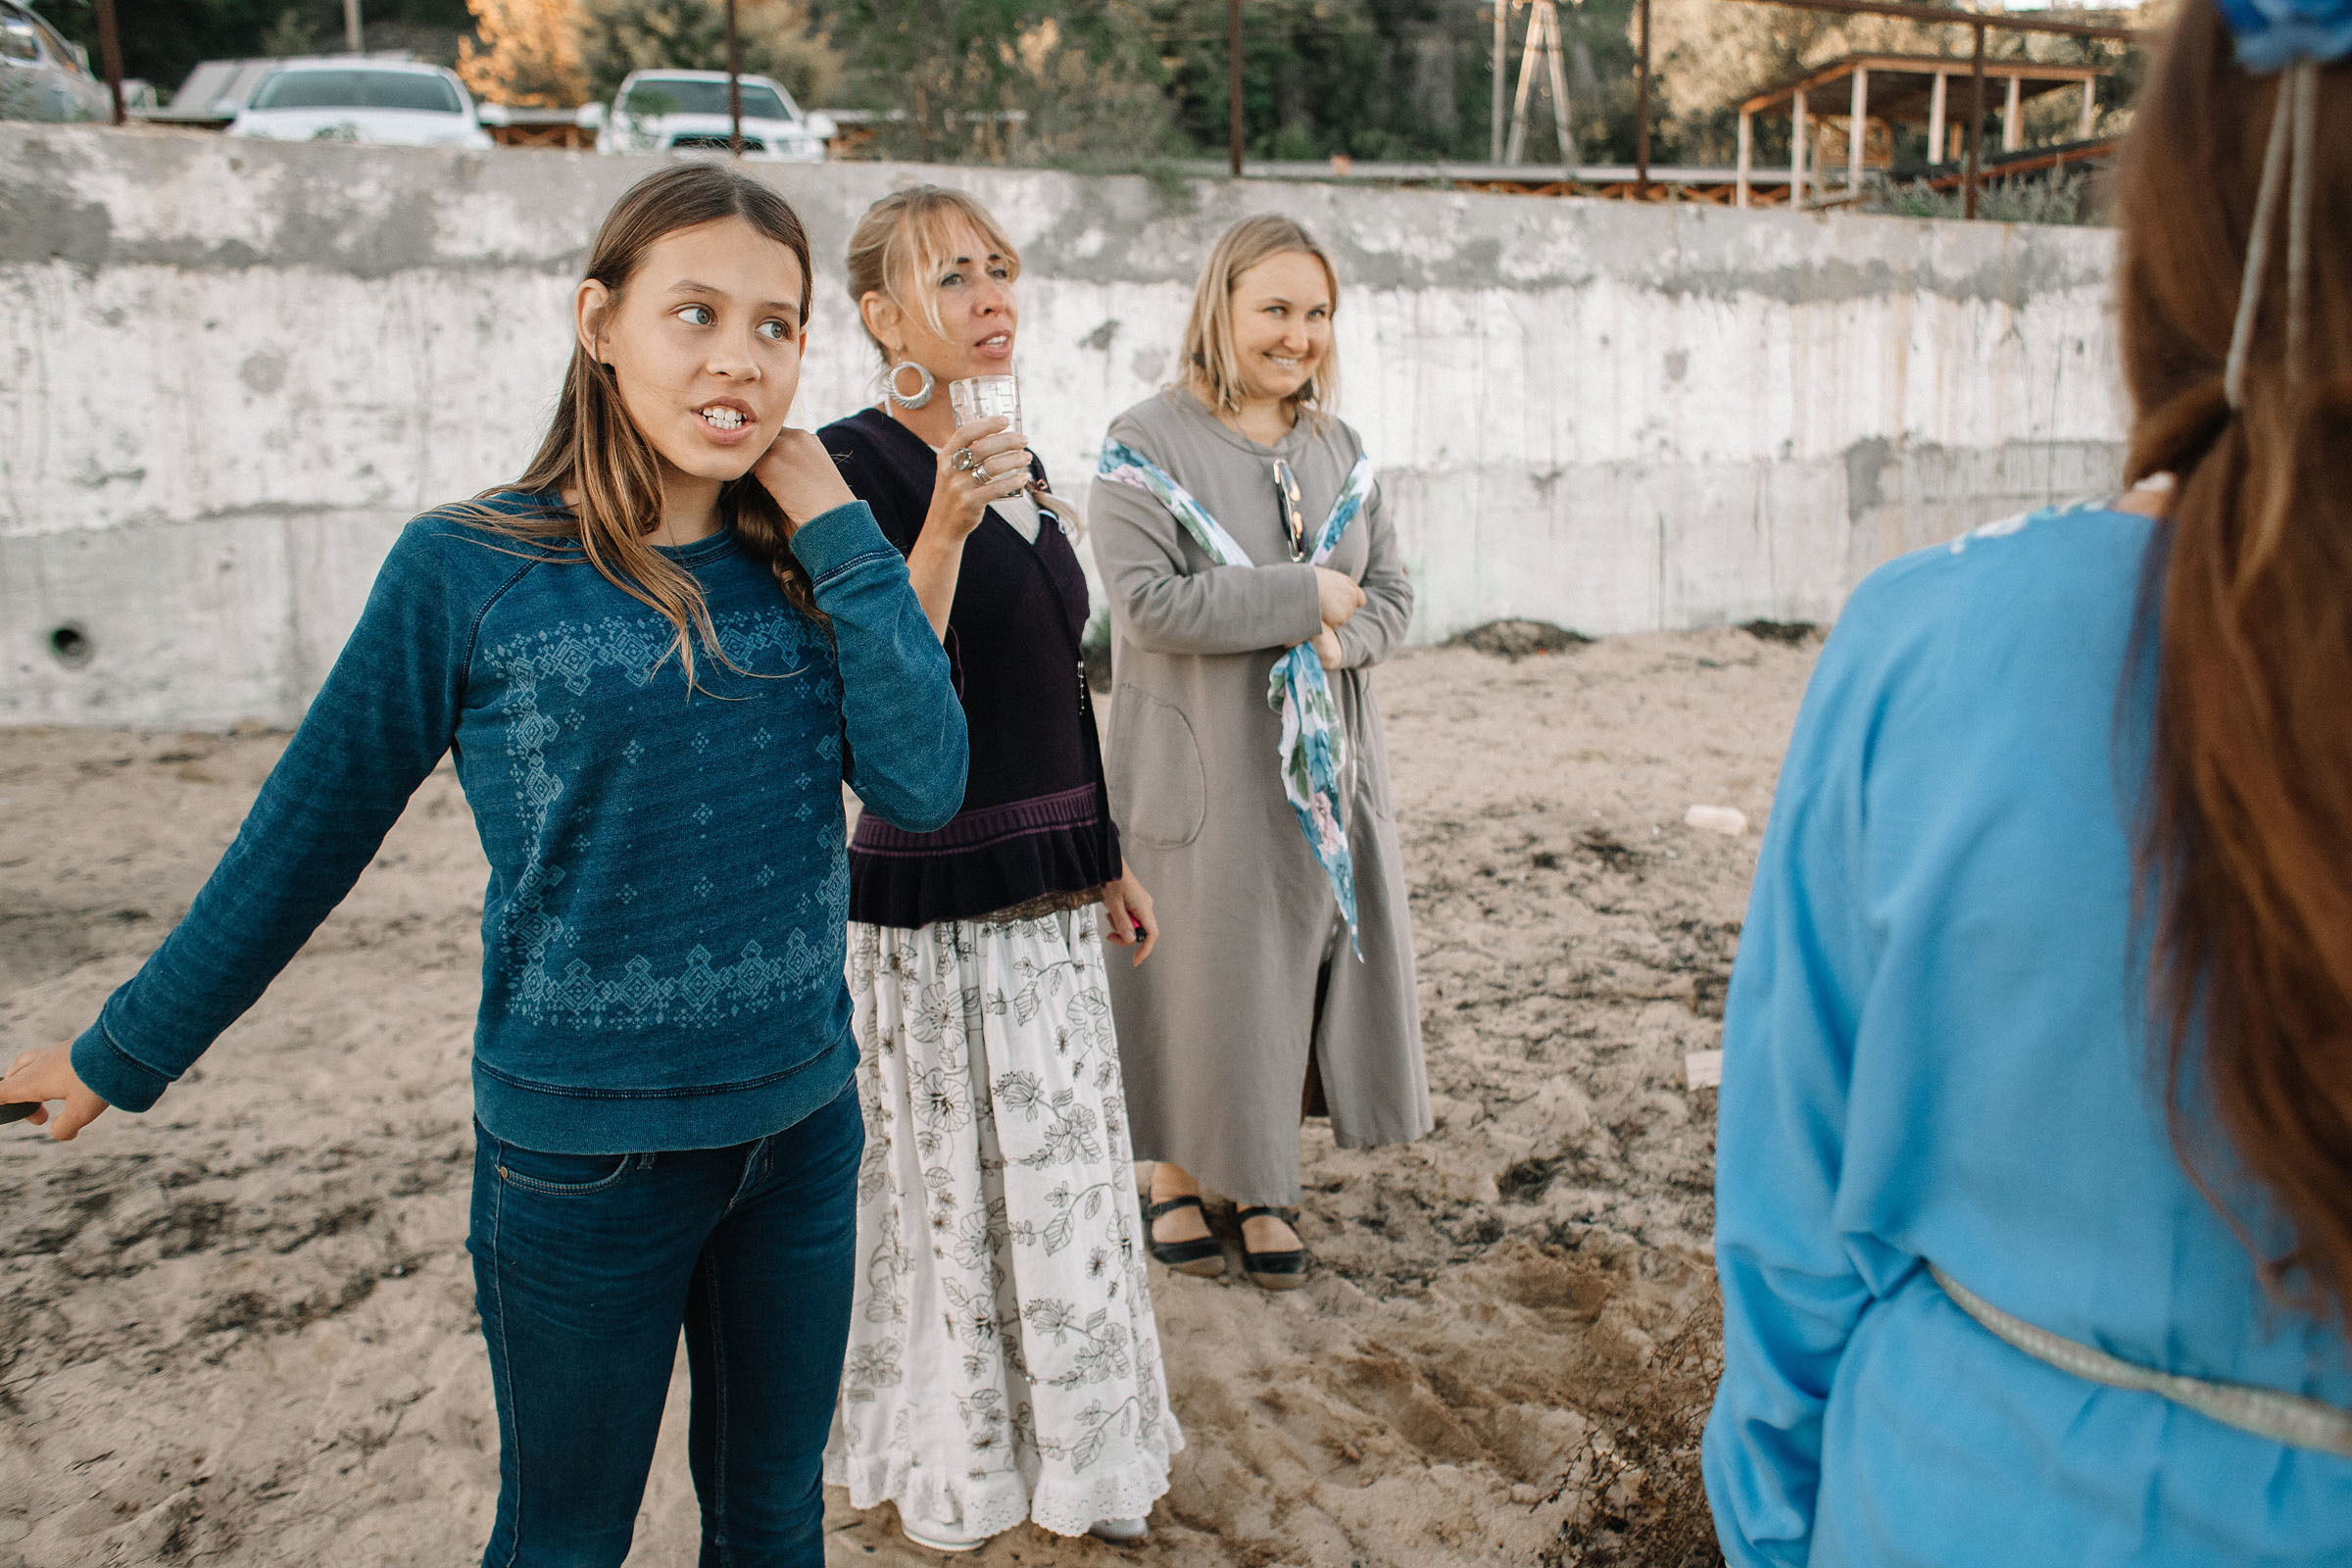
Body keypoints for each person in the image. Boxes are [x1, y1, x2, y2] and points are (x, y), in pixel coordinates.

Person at [0, 165, 968, 1568]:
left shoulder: (811, 564)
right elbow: (306, 835)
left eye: (777, 327)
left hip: (803, 1133)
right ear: (598, 320)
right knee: (565, 1537)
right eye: (694, 312)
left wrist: (839, 525)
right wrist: (118, 1052)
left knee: (772, 1516)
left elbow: (924, 788)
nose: (739, 360)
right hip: (583, 1163)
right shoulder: (466, 568)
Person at [1704, 5, 2352, 1562]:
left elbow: (1793, 1250)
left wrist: (1781, 1534)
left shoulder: (1929, 641)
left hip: (1951, 1503)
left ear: (2170, 245)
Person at [815, 185, 1179, 1553]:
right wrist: (948, 531)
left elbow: (1054, 692)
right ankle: (961, 1461)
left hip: (1047, 885)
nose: (987, 297)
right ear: (881, 315)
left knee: (1071, 1189)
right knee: (957, 1203)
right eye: (950, 276)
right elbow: (874, 688)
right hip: (934, 899)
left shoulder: (1013, 453)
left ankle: (1085, 1456)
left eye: (998, 271)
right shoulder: (847, 463)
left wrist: (1106, 857)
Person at [1088, 215, 1427, 1290]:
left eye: (1317, 312)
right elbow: (1145, 606)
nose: (1299, 335)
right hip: (1201, 758)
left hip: (1327, 772)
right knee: (1201, 967)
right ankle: (1179, 1172)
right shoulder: (1145, 441)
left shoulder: (1342, 450)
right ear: (1221, 309)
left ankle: (1266, 1180)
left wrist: (1341, 633)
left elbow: (1397, 595)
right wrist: (1300, 598)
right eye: (1275, 309)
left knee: (1295, 964)